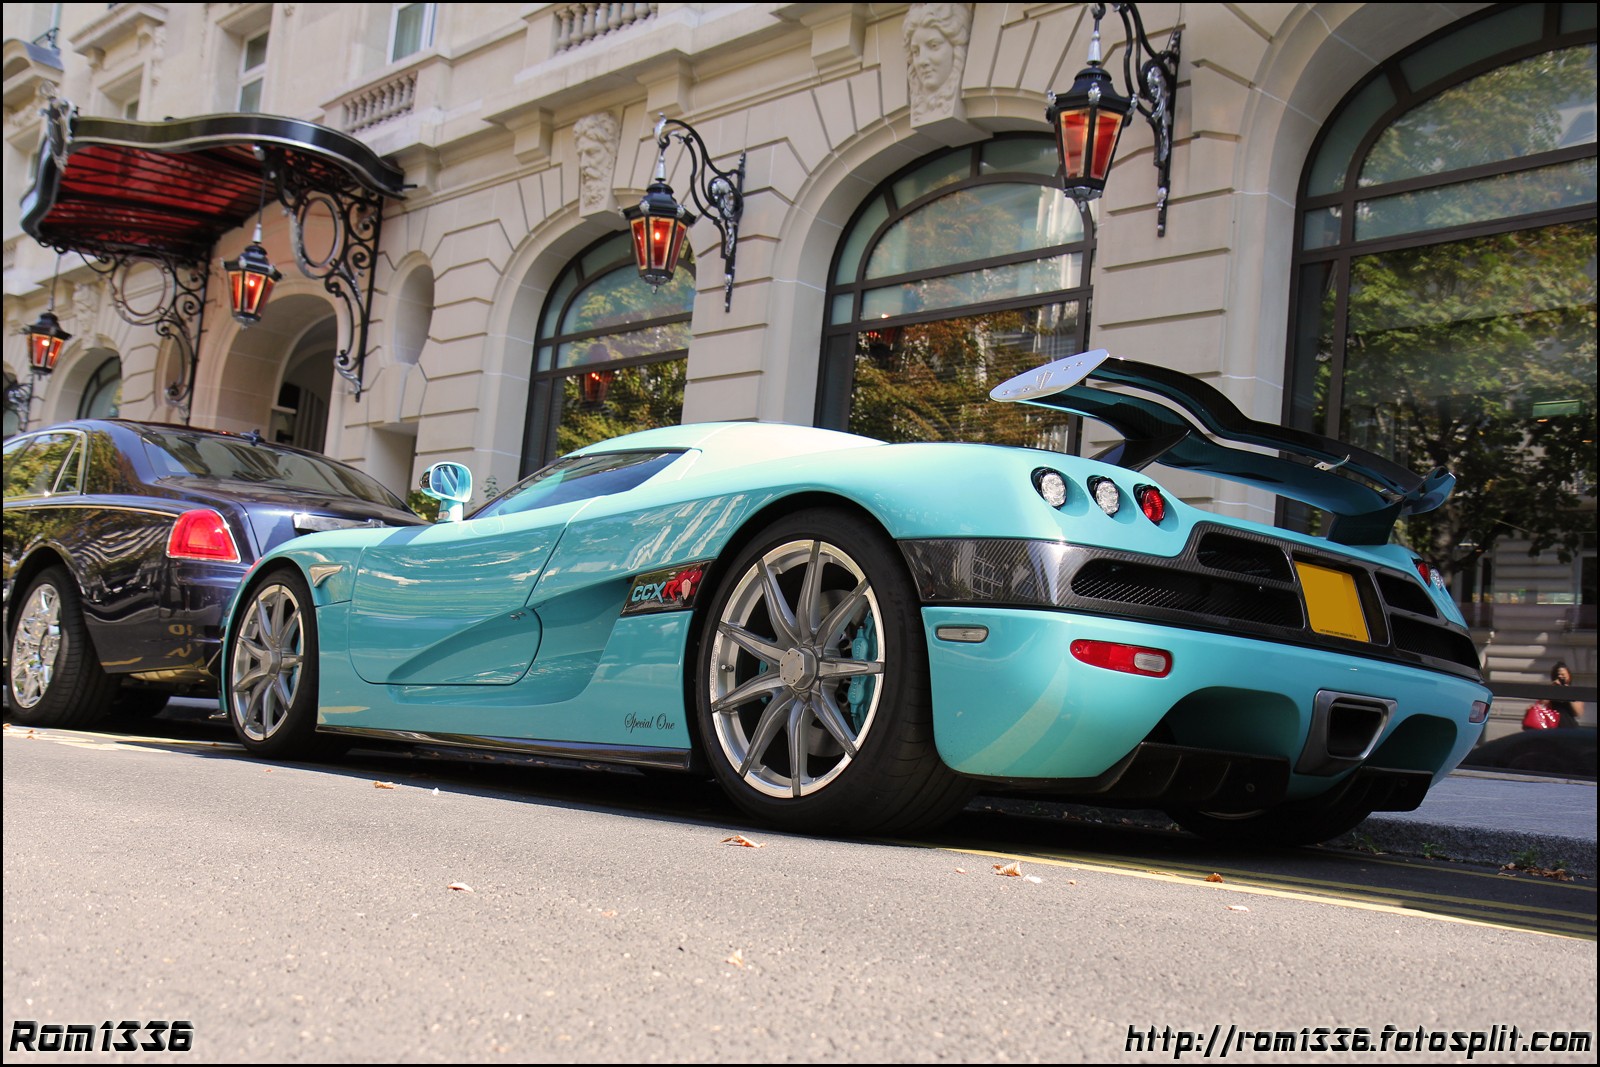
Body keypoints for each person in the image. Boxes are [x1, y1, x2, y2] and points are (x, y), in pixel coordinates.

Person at [1549, 661, 1584, 728]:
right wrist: (1552, 688)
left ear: (1569, 675)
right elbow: (1542, 703)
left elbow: (1578, 712)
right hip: (1553, 727)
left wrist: (1567, 691)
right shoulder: (1552, 689)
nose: (1560, 677)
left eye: (1563, 675)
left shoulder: (1575, 692)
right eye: (1558, 675)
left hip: (1569, 727)